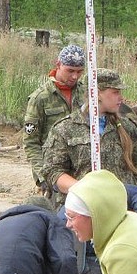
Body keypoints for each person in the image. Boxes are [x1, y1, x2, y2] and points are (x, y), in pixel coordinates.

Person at [43, 68, 137, 207]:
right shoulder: (65, 128)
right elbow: (53, 172)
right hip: (81, 209)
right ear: (97, 93)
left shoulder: (128, 127)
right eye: (115, 92)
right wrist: (84, 190)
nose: (121, 98)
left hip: (120, 206)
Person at [23, 44, 87, 194]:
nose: (74, 76)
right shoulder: (40, 98)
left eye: (79, 72)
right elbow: (31, 143)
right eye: (70, 71)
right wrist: (43, 176)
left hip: (80, 172)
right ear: (58, 65)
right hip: (52, 173)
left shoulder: (86, 93)